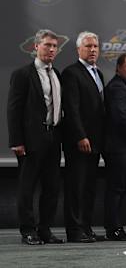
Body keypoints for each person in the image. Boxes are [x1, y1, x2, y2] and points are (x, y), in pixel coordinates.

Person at [7, 29, 64, 245]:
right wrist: (16, 141)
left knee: (52, 188)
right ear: (36, 47)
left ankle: (45, 230)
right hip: (31, 140)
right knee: (27, 187)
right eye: (47, 45)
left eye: (54, 46)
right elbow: (14, 110)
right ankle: (28, 231)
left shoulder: (56, 74)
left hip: (53, 138)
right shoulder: (22, 74)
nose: (51, 49)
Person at [62, 31, 105, 243]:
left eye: (95, 46)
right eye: (88, 46)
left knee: (88, 188)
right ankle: (75, 230)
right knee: (76, 187)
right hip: (80, 142)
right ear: (79, 49)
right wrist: (80, 136)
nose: (93, 50)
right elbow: (72, 108)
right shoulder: (71, 73)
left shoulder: (98, 73)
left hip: (95, 142)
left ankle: (86, 227)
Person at [103, 53, 126, 241]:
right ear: (118, 68)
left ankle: (114, 226)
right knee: (116, 188)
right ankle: (114, 228)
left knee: (119, 188)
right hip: (118, 147)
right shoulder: (117, 87)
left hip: (123, 147)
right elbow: (120, 116)